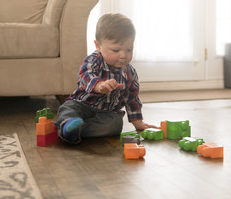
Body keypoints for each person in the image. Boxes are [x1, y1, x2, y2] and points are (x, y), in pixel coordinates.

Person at [57, 13, 157, 143]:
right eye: (116, 50)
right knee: (68, 107)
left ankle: (74, 130)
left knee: (115, 125)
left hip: (106, 113)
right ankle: (67, 124)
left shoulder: (130, 73)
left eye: (129, 50)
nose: (123, 55)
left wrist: (137, 121)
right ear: (98, 46)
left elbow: (132, 98)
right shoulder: (94, 60)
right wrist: (99, 85)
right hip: (82, 105)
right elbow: (85, 74)